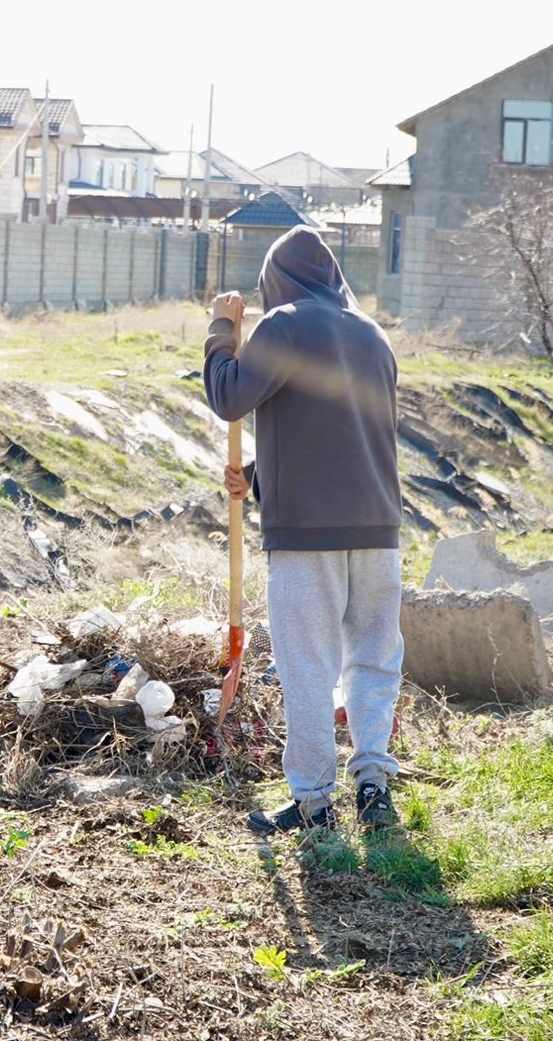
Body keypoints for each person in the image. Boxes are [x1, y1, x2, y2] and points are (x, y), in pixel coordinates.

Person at [204, 225, 404, 839]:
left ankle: (314, 799)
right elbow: (348, 434)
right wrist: (263, 478)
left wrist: (220, 332)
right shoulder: (372, 334)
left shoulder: (283, 324)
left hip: (305, 536)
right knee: (372, 659)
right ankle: (373, 781)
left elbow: (230, 398)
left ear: (275, 279)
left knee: (308, 666)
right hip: (378, 527)